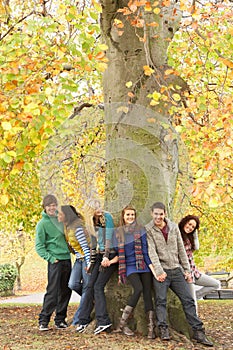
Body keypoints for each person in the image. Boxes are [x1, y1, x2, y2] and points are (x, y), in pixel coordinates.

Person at [145, 202, 213, 346]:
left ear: (165, 214)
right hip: (161, 272)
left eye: (161, 214)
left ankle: (199, 332)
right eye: (156, 214)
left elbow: (182, 250)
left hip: (176, 270)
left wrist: (187, 270)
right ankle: (163, 329)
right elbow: (152, 252)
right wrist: (159, 271)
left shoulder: (174, 227)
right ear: (152, 214)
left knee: (188, 300)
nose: (158, 216)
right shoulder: (148, 230)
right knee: (161, 300)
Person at [76, 199, 118, 335]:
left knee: (98, 286)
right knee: (88, 285)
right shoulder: (91, 223)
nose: (98, 209)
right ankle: (83, 320)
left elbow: (109, 239)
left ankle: (103, 321)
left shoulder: (107, 217)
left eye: (99, 206)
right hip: (99, 257)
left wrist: (106, 256)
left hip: (110, 255)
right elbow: (93, 246)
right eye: (95, 207)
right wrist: (91, 263)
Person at [113, 206, 155, 339]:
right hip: (130, 266)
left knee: (148, 293)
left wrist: (152, 268)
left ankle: (151, 328)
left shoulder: (140, 229)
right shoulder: (118, 232)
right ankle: (122, 323)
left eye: (132, 215)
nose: (130, 217)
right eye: (128, 215)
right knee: (138, 289)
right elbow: (118, 253)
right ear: (123, 217)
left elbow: (145, 249)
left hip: (143, 264)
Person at [35, 194, 71, 331]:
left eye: (54, 205)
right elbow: (39, 246)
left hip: (66, 259)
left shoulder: (61, 219)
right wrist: (51, 258)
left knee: (66, 290)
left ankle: (60, 320)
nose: (52, 208)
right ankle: (43, 320)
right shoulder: (42, 224)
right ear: (45, 207)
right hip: (55, 261)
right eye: (49, 205)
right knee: (52, 291)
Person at [58, 205, 91, 326]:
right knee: (73, 284)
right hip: (78, 259)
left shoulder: (78, 227)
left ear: (66, 215)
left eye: (60, 214)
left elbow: (86, 248)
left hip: (86, 259)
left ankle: (79, 319)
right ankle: (90, 299)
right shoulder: (67, 227)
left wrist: (89, 264)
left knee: (87, 288)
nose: (58, 216)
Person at [178, 215, 220, 306]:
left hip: (195, 272)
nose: (190, 228)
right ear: (184, 222)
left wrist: (195, 233)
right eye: (189, 224)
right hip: (185, 274)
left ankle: (196, 295)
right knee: (193, 304)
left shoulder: (189, 238)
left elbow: (196, 247)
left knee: (216, 284)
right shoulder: (177, 235)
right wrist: (185, 272)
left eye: (193, 227)